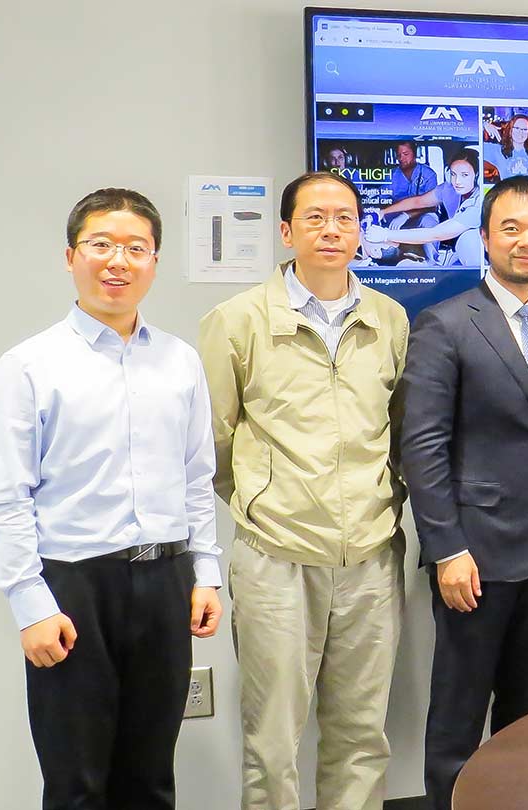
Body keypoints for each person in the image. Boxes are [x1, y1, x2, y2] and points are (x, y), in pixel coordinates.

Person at [0, 188, 223, 809]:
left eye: (135, 248)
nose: (118, 260)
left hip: (164, 581)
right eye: (101, 245)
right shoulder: (29, 365)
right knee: (77, 783)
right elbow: (8, 498)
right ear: (71, 256)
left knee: (150, 781)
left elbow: (198, 477)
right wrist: (29, 603)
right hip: (72, 589)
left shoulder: (180, 362)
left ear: (154, 261)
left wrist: (206, 575)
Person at [199, 171, 410, 810]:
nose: (331, 230)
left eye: (345, 217)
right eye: (315, 218)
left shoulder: (389, 319)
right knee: (272, 743)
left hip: (371, 558)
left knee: (362, 737)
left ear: (361, 231)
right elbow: (211, 444)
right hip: (275, 558)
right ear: (286, 231)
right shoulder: (236, 322)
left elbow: (399, 433)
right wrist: (266, 500)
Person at [398, 176, 528, 810]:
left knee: (525, 716)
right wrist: (446, 548)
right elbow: (422, 447)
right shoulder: (446, 323)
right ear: (484, 238)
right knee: (458, 718)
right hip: (474, 556)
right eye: (510, 228)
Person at [367, 151, 483, 267]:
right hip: (456, 253)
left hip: (474, 254)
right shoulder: (448, 189)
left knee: (468, 239)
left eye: (465, 175)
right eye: (453, 174)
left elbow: (436, 234)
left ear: (476, 176)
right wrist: (383, 212)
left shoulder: (477, 203)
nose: (457, 181)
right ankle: (433, 264)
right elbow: (418, 201)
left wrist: (386, 235)